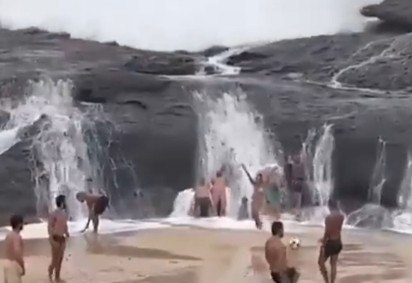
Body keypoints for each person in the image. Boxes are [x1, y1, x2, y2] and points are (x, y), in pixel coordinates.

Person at [318, 199, 345, 283]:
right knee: (333, 264)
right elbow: (337, 229)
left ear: (329, 206)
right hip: (338, 242)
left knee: (320, 262)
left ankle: (326, 281)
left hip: (330, 242)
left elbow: (327, 232)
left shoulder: (329, 218)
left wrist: (323, 242)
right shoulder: (341, 216)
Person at [48, 195, 70, 282]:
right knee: (55, 259)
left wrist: (67, 232)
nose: (66, 203)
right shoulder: (54, 214)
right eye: (65, 201)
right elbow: (50, 226)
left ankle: (57, 276)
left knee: (60, 259)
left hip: (62, 238)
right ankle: (50, 271)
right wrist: (51, 238)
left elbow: (65, 224)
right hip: (55, 237)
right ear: (61, 202)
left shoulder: (64, 213)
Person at [242, 164, 265, 229]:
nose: (257, 178)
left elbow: (264, 193)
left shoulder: (263, 185)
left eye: (259, 178)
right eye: (257, 177)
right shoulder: (255, 183)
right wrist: (245, 169)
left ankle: (260, 225)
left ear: (261, 179)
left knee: (256, 214)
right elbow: (249, 176)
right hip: (254, 201)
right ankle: (259, 225)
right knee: (254, 215)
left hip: (259, 201)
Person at [4, 214, 25, 283]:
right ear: (19, 224)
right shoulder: (17, 236)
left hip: (7, 263)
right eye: (22, 223)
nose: (23, 225)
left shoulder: (8, 235)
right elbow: (17, 251)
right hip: (14, 264)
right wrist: (22, 265)